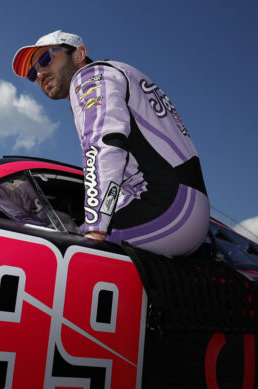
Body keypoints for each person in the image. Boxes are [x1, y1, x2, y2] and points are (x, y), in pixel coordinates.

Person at [12, 30, 209, 257]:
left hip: (167, 207)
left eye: (46, 59)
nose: (40, 73)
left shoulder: (90, 77)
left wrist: (96, 227)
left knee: (64, 251)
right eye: (32, 73)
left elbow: (105, 146)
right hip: (185, 207)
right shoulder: (118, 73)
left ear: (79, 54)